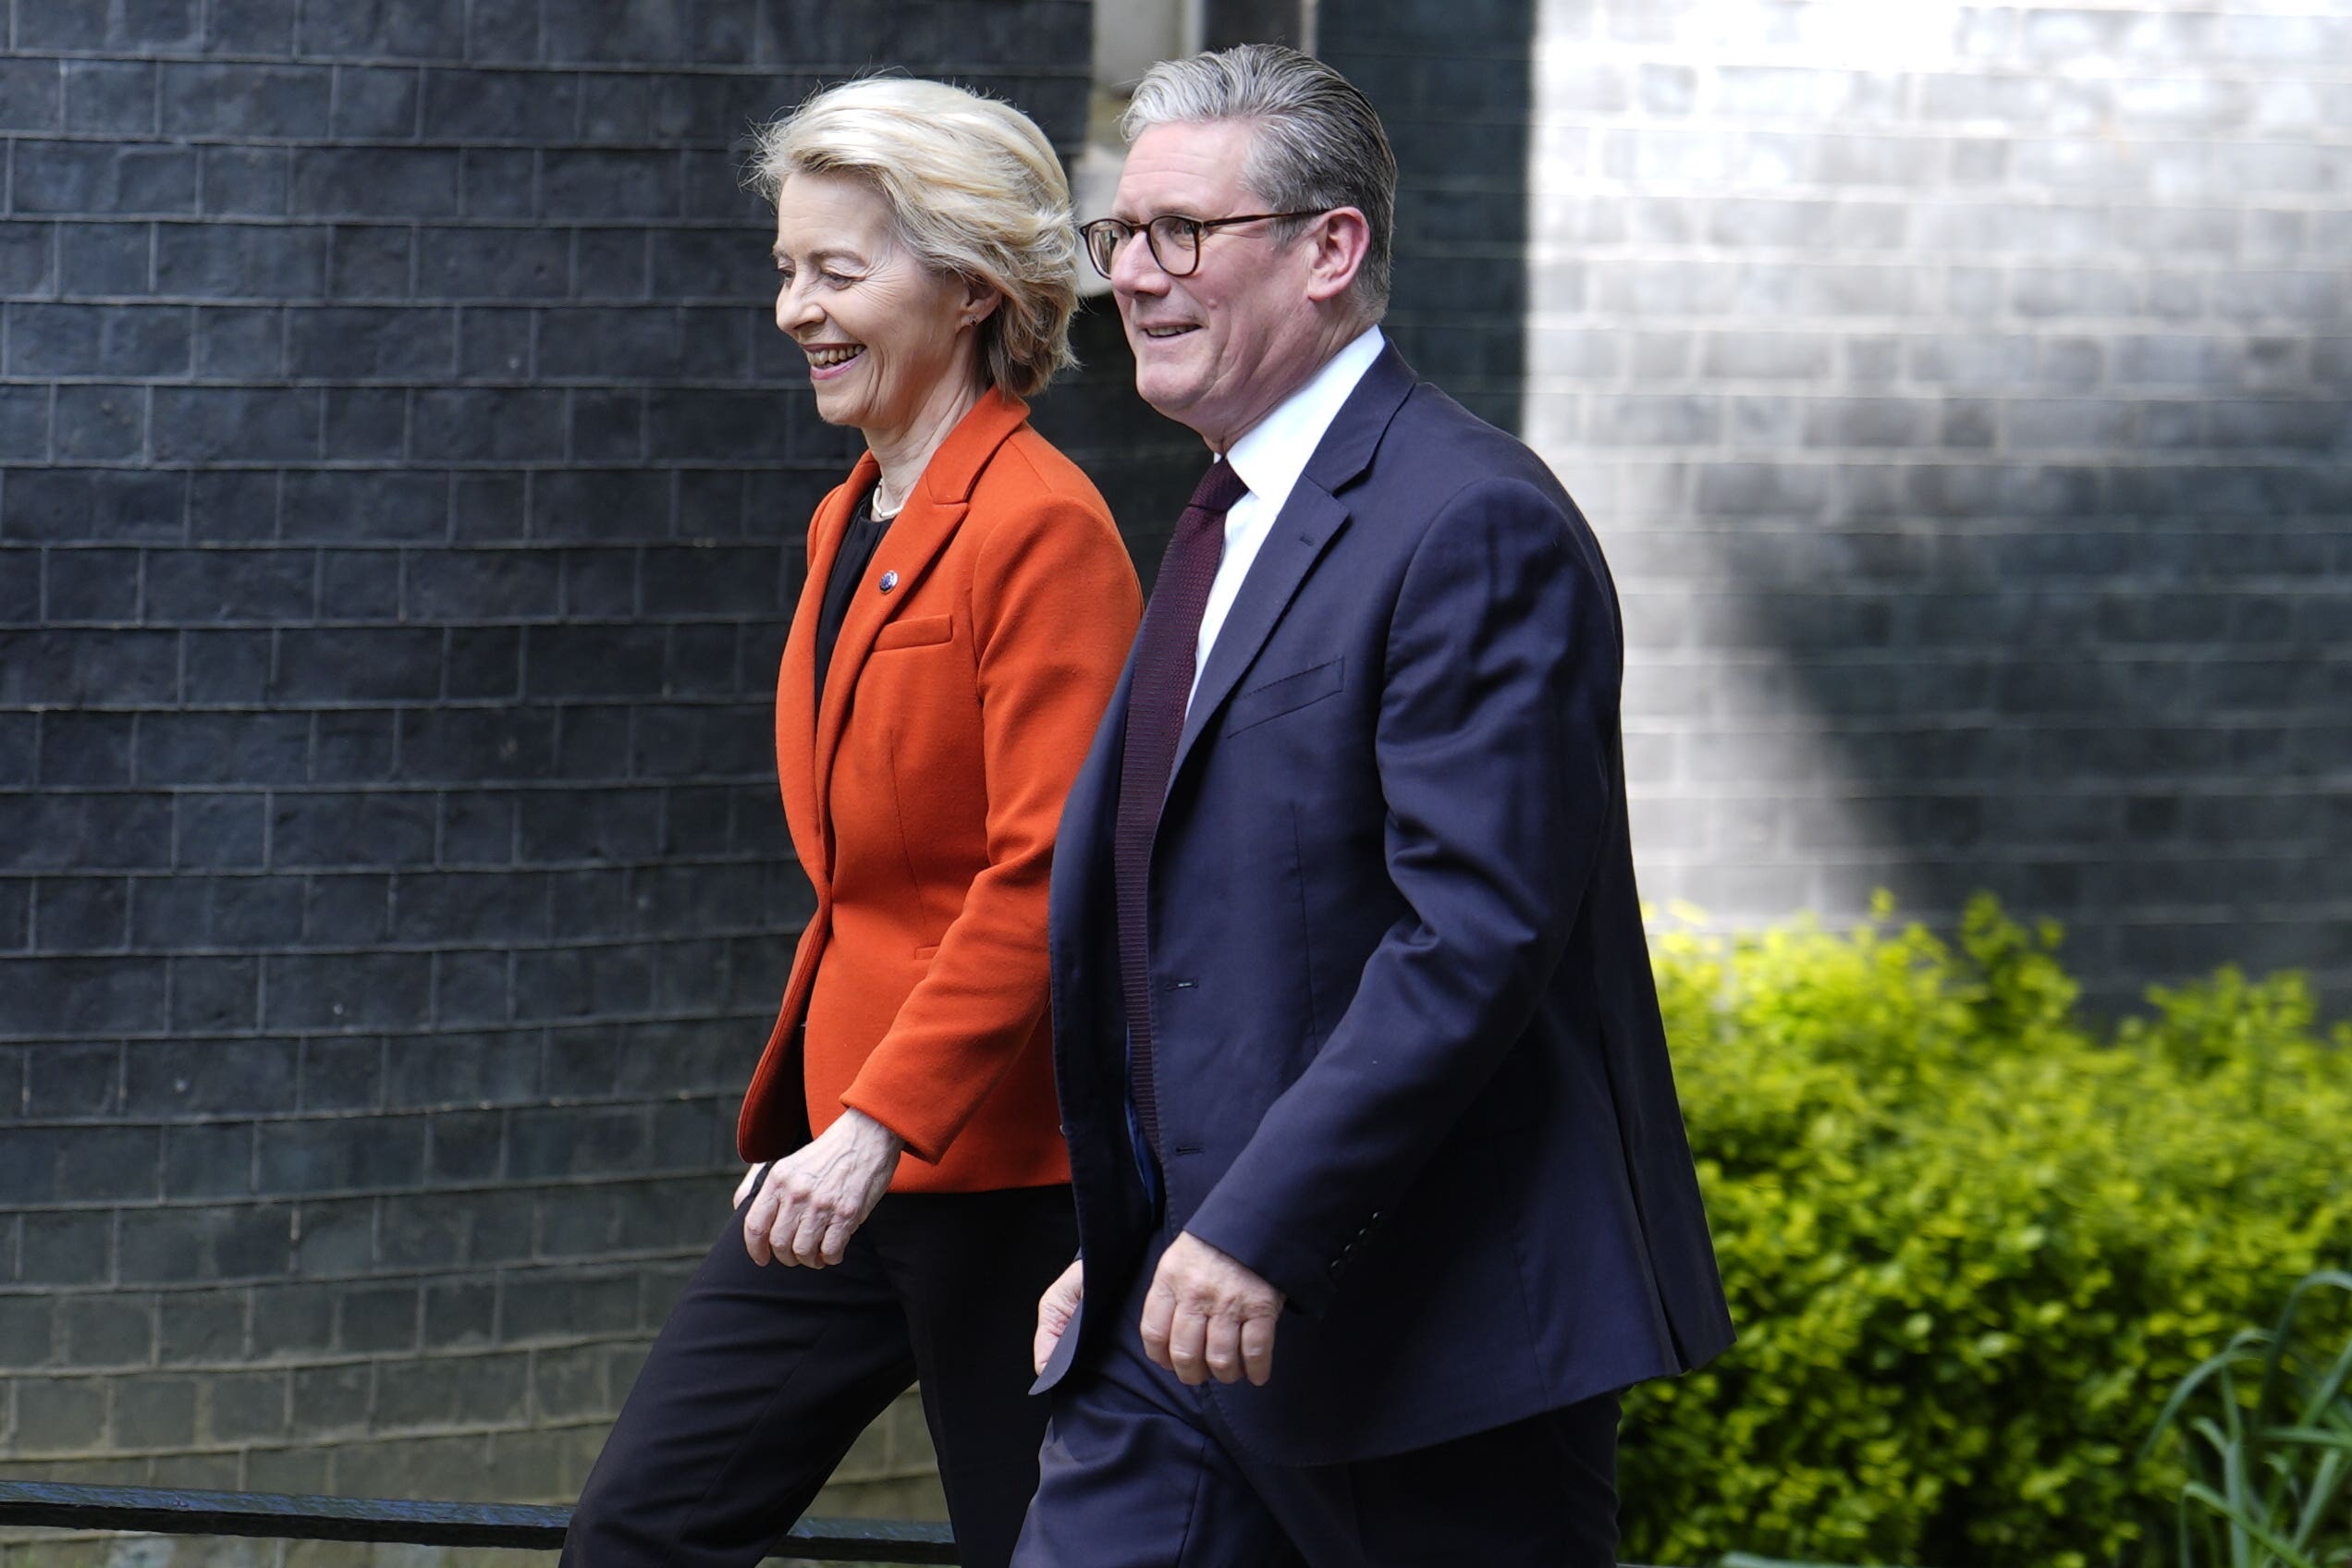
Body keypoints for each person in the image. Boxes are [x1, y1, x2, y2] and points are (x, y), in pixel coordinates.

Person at [1015, 44, 1734, 1567]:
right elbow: (1206, 931)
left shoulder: (1472, 520)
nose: (1131, 275)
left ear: (1330, 249)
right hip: (1180, 1322)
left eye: (1181, 234)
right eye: (1121, 234)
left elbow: (1471, 936)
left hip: (1432, 1337)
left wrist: (1256, 1224)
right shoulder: (1224, 518)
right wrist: (1136, 1232)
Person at [560, 78, 1142, 1568]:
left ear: (971, 286)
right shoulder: (849, 517)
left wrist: (877, 1126)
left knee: (1043, 1552)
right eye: (786, 270)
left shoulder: (1043, 524)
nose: (793, 311)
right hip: (845, 1159)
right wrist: (833, 1129)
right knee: (639, 1531)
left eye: (835, 271)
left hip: (1006, 1174)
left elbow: (1047, 875)